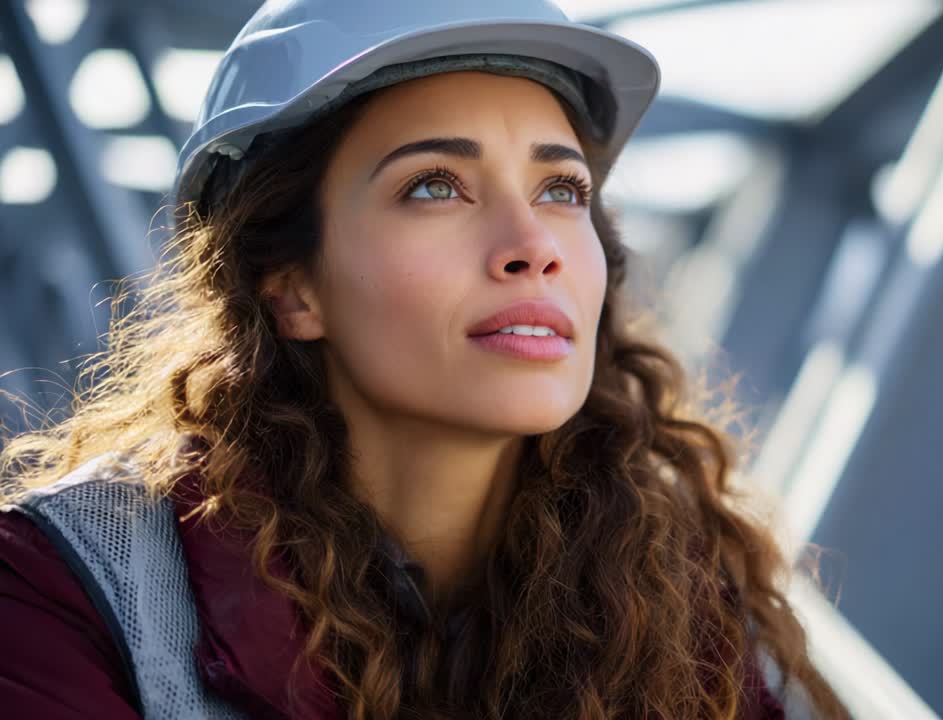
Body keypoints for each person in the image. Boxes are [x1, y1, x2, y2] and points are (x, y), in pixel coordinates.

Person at [0, 1, 849, 718]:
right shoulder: (60, 590)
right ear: (292, 288)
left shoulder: (667, 588)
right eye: (435, 186)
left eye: (562, 191)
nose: (532, 246)